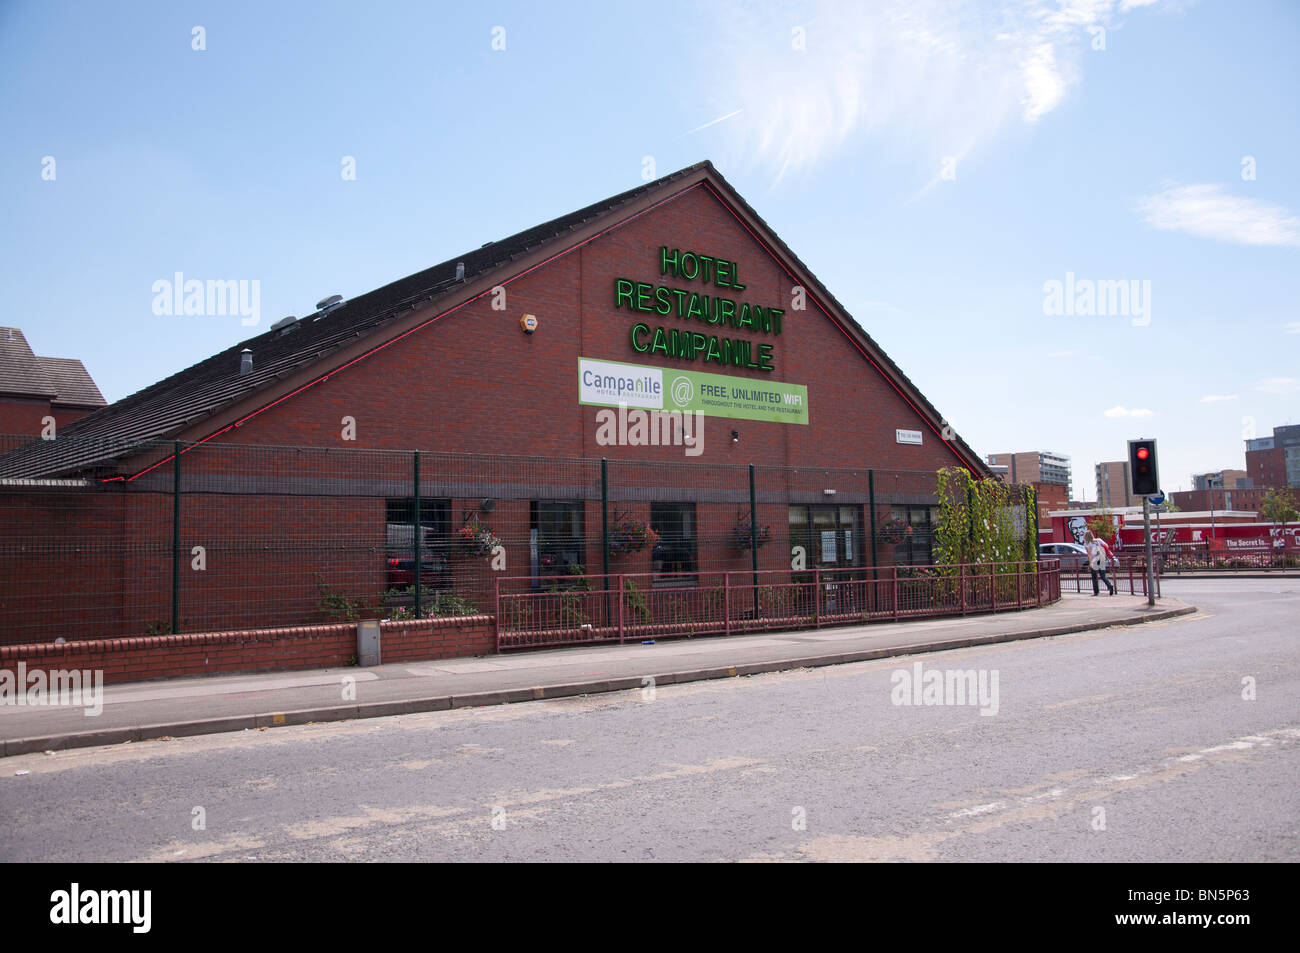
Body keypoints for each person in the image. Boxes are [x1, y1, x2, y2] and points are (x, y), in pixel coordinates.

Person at [1084, 530, 1116, 596]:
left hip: (1094, 560)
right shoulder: (1098, 540)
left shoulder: (1087, 544)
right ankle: (1110, 586)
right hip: (1101, 558)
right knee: (1103, 575)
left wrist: (1090, 563)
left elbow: (1089, 554)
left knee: (1094, 576)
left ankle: (1096, 592)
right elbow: (1106, 546)